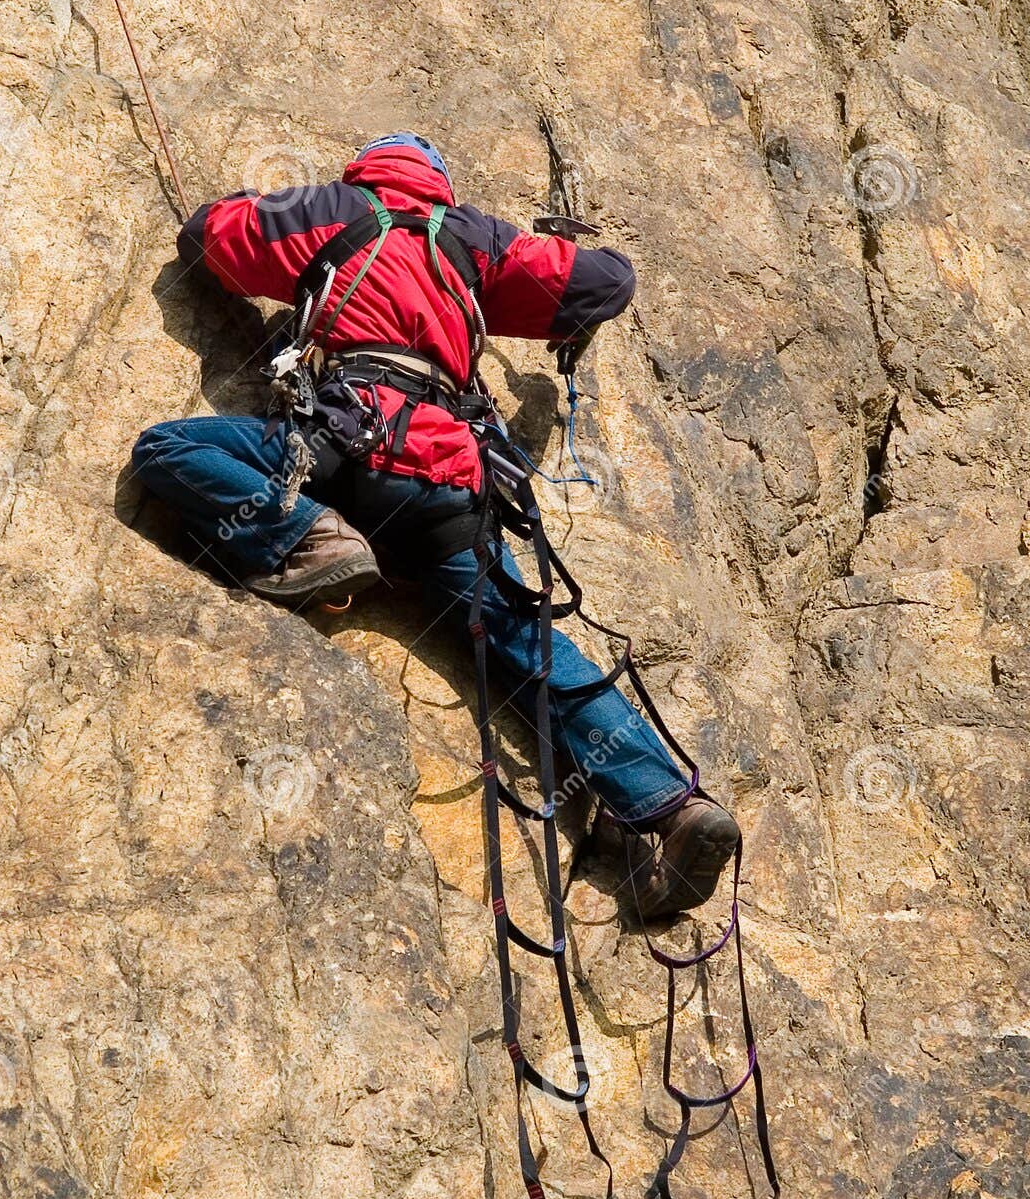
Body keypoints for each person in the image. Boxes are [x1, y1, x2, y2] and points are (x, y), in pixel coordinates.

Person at [132, 133, 739, 916]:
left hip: (337, 447)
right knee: (526, 642)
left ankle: (308, 536)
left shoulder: (333, 211)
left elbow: (212, 237)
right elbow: (608, 281)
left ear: (365, 170)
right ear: (439, 186)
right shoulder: (473, 243)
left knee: (169, 449)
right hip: (448, 488)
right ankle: (671, 807)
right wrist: (541, 263)